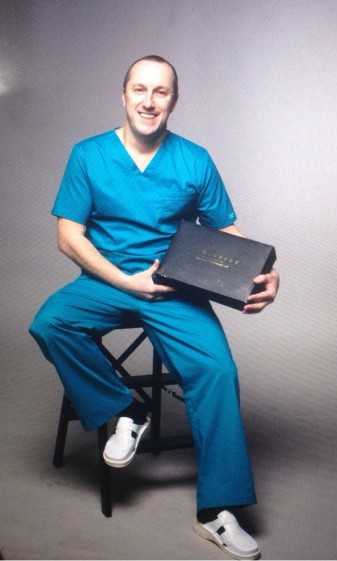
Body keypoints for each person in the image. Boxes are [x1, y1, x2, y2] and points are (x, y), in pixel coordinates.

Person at [29, 54, 280, 560]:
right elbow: (68, 236)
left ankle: (216, 511)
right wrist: (126, 281)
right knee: (51, 323)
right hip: (107, 279)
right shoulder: (88, 155)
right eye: (139, 90)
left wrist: (264, 272)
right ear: (123, 96)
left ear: (174, 100)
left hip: (173, 288)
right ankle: (127, 410)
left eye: (160, 91)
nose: (148, 101)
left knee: (217, 371)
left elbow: (227, 231)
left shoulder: (194, 160)